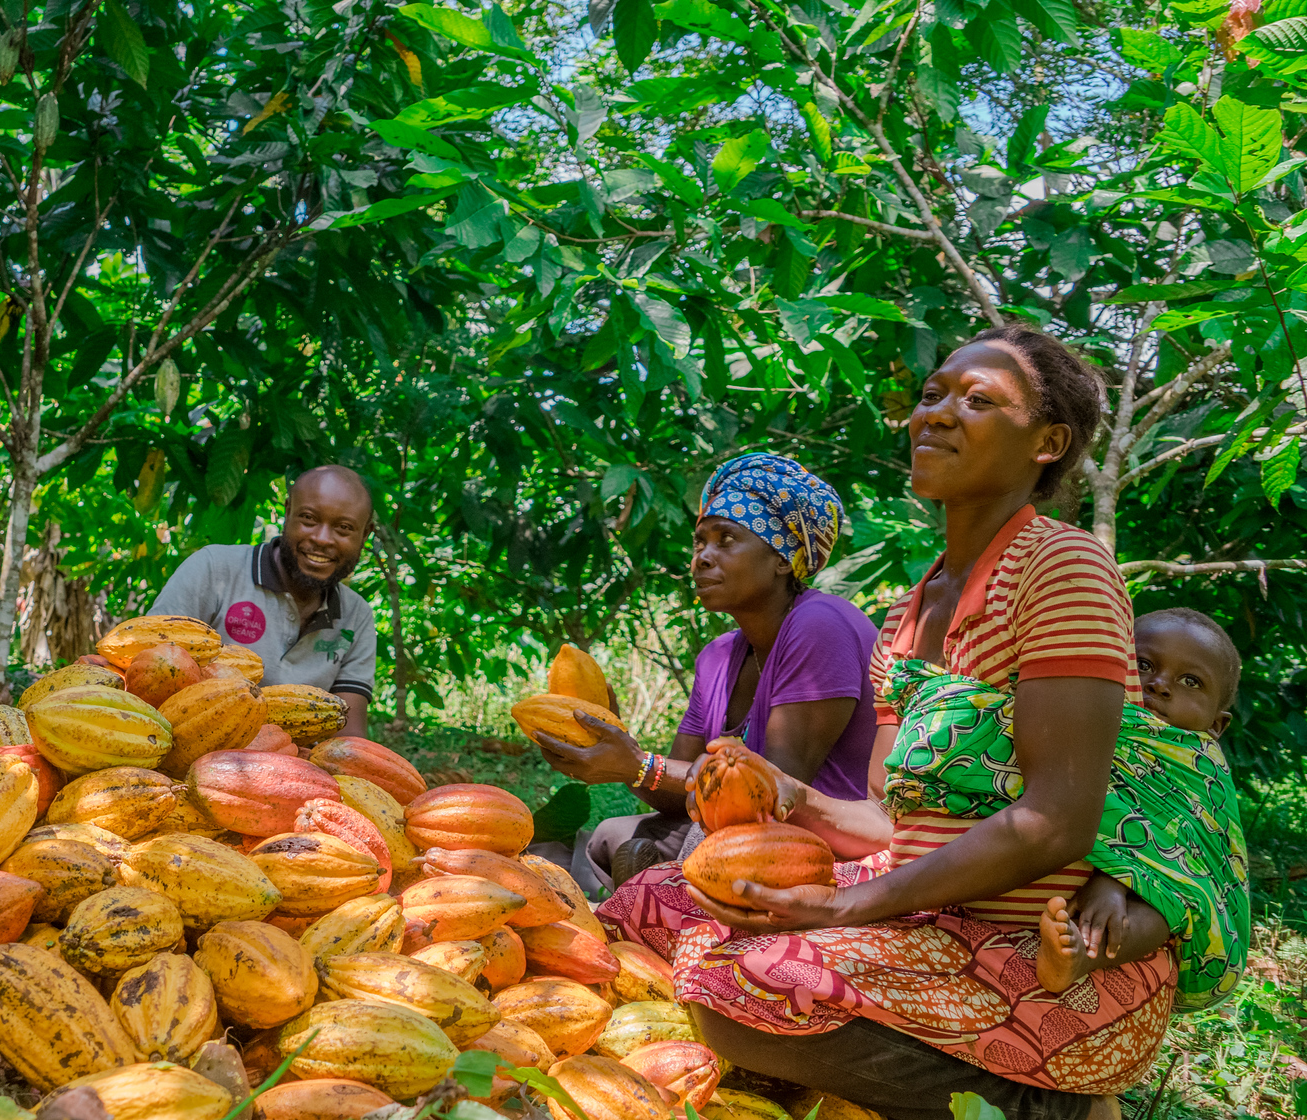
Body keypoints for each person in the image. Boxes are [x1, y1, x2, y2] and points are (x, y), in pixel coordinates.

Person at [596, 325, 1248, 1120]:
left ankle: (1051, 1105)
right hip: (921, 918)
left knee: (744, 986)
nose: (934, 412)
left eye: (977, 400)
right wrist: (787, 796)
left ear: (1046, 443)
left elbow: (1056, 821)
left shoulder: (1062, 568)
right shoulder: (908, 615)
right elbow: (888, 824)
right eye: (932, 393)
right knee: (652, 900)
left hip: (1039, 961)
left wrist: (842, 909)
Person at [533, 453, 879, 886]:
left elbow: (773, 789)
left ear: (782, 559)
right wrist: (619, 750)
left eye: (726, 540)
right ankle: (666, 883)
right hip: (742, 826)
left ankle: (668, 887)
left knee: (690, 845)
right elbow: (674, 794)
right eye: (699, 543)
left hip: (818, 839)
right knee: (611, 834)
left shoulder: (821, 625)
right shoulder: (718, 657)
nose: (702, 558)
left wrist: (640, 764)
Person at [1039, 608, 1242, 992]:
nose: (1159, 684)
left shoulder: (1201, 770)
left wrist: (1117, 880)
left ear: (1216, 725)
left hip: (1145, 891)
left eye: (1190, 681)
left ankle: (1083, 956)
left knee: (1175, 903)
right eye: (1143, 664)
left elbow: (1187, 846)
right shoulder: (1085, 717)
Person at [149, 465, 375, 740]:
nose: (322, 538)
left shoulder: (356, 615)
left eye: (343, 528)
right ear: (288, 512)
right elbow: (150, 668)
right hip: (190, 743)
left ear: (365, 535)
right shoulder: (213, 569)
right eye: (308, 519)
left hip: (293, 760)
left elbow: (349, 738)